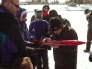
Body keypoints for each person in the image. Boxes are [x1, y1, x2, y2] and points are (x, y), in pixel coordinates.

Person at [0, 0, 36, 68]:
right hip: (9, 65)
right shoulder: (7, 23)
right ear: (8, 4)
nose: (18, 9)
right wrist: (33, 53)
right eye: (17, 6)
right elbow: (18, 50)